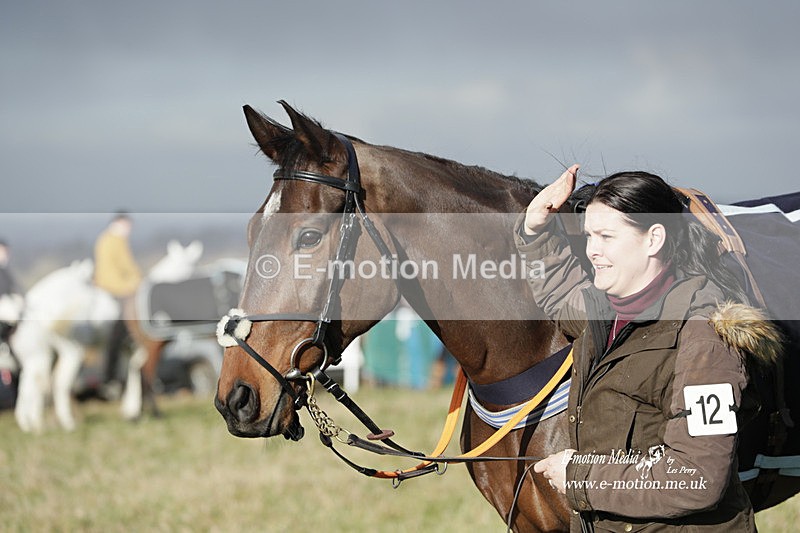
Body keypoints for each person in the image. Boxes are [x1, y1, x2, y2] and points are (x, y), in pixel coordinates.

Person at [515, 165, 781, 531]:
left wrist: (580, 477)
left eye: (607, 236)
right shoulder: (603, 311)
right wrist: (535, 229)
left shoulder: (705, 339)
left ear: (653, 239)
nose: (592, 251)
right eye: (589, 236)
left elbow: (696, 477)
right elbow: (561, 293)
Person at [94, 212, 142, 396]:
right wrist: (130, 285)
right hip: (113, 288)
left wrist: (137, 280)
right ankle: (109, 375)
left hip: (120, 286)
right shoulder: (110, 241)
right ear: (118, 223)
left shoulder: (117, 241)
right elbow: (111, 271)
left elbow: (129, 267)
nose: (129, 229)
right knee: (120, 324)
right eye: (126, 225)